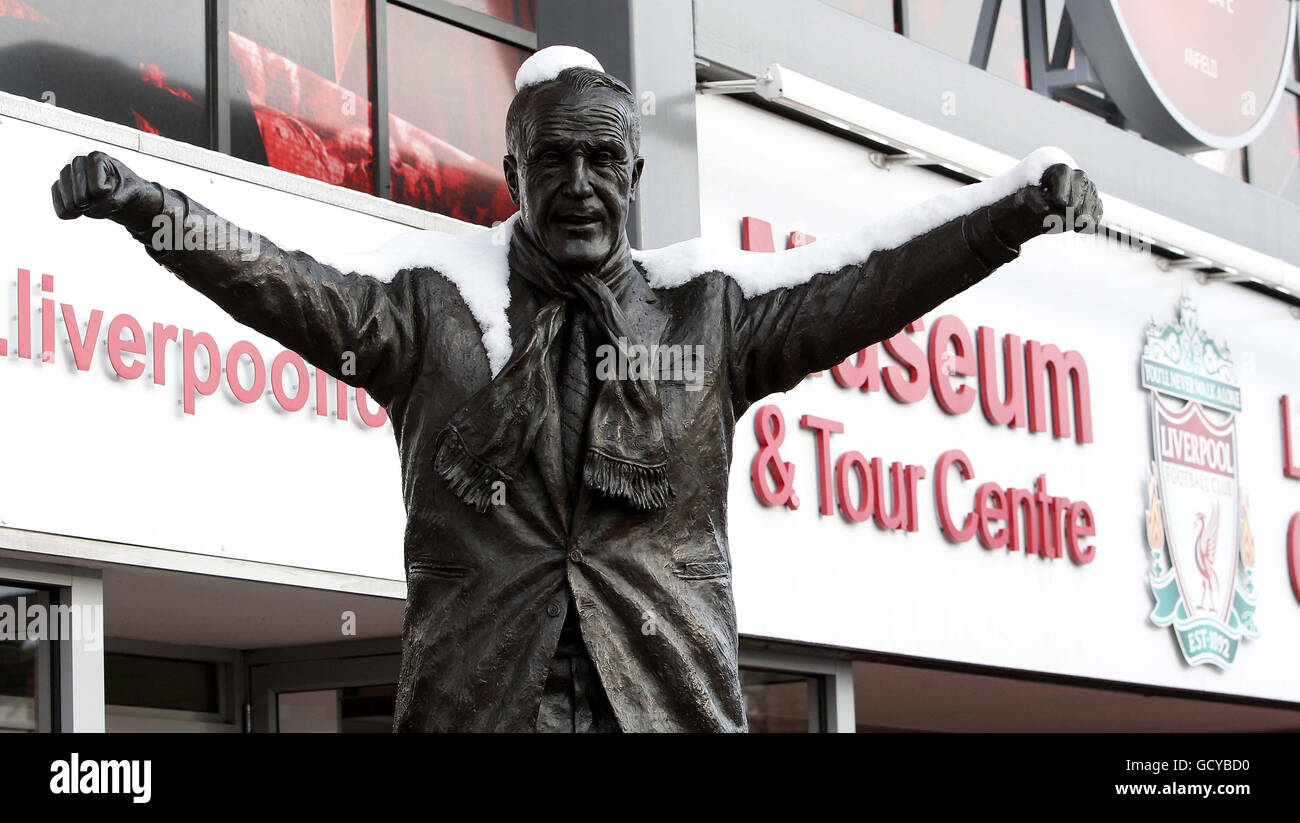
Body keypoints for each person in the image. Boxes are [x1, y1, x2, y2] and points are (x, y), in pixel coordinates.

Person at [50, 46, 1101, 732]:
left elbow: (874, 282)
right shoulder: (430, 317)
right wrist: (151, 209)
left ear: (636, 177)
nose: (581, 185)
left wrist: (1008, 214)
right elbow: (287, 286)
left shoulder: (708, 321)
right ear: (513, 174)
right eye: (554, 161)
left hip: (663, 705)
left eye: (604, 160)